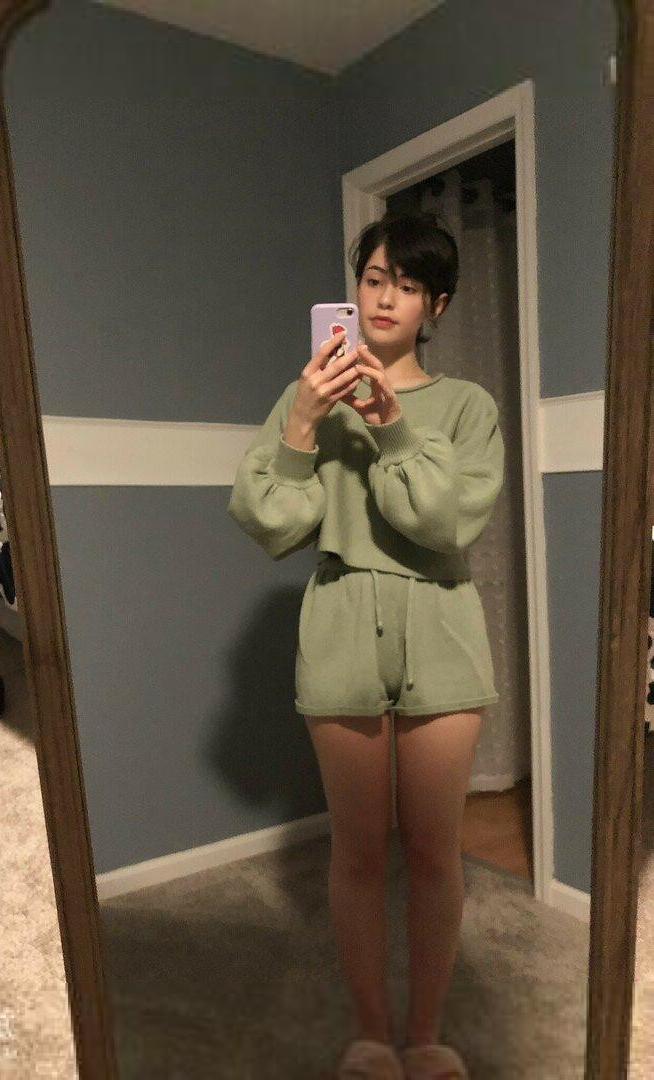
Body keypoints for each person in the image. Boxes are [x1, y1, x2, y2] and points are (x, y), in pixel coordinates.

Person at [227, 210, 504, 1080]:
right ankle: (373, 1034)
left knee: (432, 849)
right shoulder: (305, 394)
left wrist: (389, 427)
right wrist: (303, 424)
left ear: (436, 306)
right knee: (357, 850)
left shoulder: (467, 406)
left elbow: (444, 522)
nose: (386, 298)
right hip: (341, 617)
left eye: (409, 285)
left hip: (441, 622)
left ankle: (425, 1034)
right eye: (375, 278)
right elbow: (272, 523)